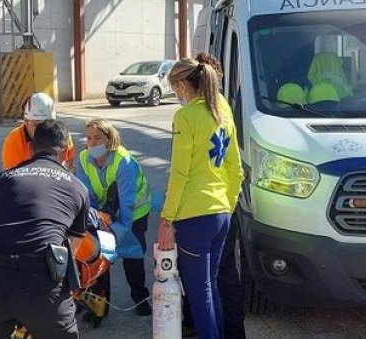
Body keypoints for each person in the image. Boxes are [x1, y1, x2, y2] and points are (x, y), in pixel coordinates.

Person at [0, 118, 90, 339]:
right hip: (38, 282)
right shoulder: (76, 187)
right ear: (65, 152)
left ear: (31, 148)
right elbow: (72, 247)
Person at [157, 53, 243, 339]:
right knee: (211, 285)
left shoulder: (186, 116)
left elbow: (179, 174)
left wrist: (166, 219)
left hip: (194, 216)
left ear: (182, 86)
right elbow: (236, 170)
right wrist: (227, 207)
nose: (175, 95)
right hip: (220, 213)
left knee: (199, 293)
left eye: (174, 89)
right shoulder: (222, 111)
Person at [74, 118, 152, 317]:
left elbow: (126, 201)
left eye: (97, 138)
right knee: (100, 256)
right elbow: (87, 194)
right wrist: (94, 221)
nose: (92, 143)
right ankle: (100, 305)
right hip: (104, 211)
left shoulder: (123, 160)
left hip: (134, 212)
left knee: (132, 256)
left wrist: (122, 231)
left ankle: (140, 298)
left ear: (109, 140)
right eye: (89, 138)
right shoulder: (84, 158)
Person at [2, 92, 74, 169]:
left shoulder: (63, 138)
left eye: (47, 124)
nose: (43, 130)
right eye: (37, 125)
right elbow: (12, 177)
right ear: (26, 121)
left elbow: (68, 170)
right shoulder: (13, 142)